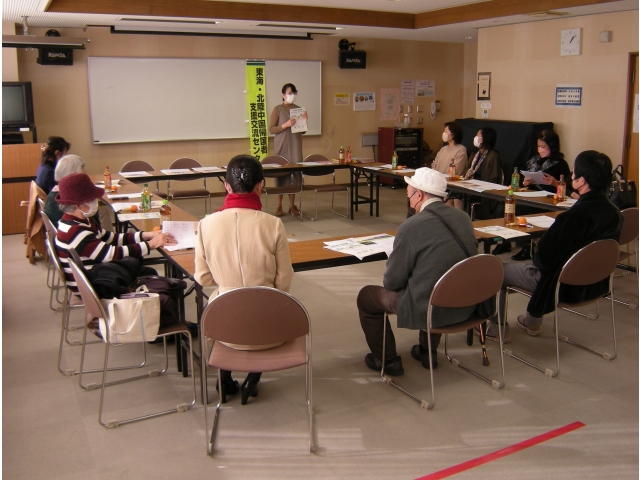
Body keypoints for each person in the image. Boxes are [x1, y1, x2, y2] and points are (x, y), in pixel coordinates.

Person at [482, 150, 622, 343]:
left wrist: (542, 241)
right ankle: (532, 321)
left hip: (562, 284)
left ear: (581, 181)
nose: (572, 174)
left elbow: (543, 261)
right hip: (594, 281)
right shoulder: (615, 214)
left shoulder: (571, 217)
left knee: (495, 269)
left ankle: (497, 329)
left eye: (574, 172)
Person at [357, 167, 478, 375]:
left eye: (409, 196)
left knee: (367, 297)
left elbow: (392, 282)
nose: (409, 201)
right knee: (437, 278)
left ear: (419, 195)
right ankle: (427, 351)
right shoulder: (464, 218)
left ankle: (387, 360)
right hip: (465, 300)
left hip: (429, 306)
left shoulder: (411, 226)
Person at [195, 155, 294, 405]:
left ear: (227, 187)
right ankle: (253, 379)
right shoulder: (273, 225)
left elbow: (203, 277)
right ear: (261, 186)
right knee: (266, 305)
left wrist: (227, 280)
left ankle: (225, 378)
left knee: (223, 303)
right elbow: (283, 281)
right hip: (268, 330)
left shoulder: (206, 225)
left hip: (224, 327)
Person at [54, 173, 177, 295]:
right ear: (77, 205)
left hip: (97, 277)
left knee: (148, 273)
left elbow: (110, 237)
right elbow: (110, 254)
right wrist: (151, 244)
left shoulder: (77, 222)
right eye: (91, 200)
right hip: (96, 287)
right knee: (160, 285)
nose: (96, 202)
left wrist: (146, 235)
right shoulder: (76, 232)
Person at [507, 130, 572, 260]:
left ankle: (528, 246)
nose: (540, 150)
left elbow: (567, 188)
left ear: (552, 147)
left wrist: (555, 183)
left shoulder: (560, 164)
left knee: (524, 210)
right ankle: (508, 241)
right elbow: (523, 181)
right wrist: (525, 182)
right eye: (538, 146)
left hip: (549, 199)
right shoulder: (533, 161)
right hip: (531, 195)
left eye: (543, 147)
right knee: (509, 206)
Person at [268, 83, 308, 217]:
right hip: (282, 146)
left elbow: (303, 131)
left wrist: (304, 121)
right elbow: (271, 129)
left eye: (294, 93)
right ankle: (279, 205)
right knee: (281, 175)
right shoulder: (278, 109)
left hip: (295, 145)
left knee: (295, 175)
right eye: (290, 93)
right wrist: (285, 125)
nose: (292, 95)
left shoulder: (298, 109)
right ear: (283, 95)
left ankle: (292, 205)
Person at [465, 127, 503, 219]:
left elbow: (491, 180)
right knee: (454, 194)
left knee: (461, 197)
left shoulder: (493, 156)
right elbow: (468, 170)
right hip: (470, 186)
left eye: (478, 136)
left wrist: (475, 185)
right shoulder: (475, 154)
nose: (476, 138)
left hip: (483, 190)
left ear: (486, 138)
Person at [430, 121, 467, 210]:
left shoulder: (461, 150)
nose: (444, 133)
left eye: (446, 131)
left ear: (453, 133)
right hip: (439, 182)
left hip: (451, 184)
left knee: (453, 199)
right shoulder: (443, 149)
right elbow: (434, 164)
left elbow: (457, 170)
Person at [43, 154, 86, 227]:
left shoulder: (57, 191)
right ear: (73, 175)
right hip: (70, 230)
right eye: (83, 175)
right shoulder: (63, 198)